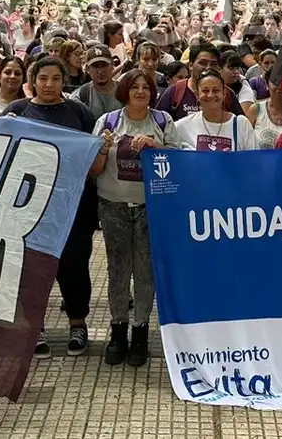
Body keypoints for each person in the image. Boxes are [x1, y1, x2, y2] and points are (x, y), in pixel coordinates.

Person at [5, 56, 101, 358]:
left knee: (75, 267)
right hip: (28, 207)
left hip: (73, 207)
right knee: (32, 267)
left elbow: (93, 152)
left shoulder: (78, 111)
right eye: (43, 78)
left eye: (55, 79)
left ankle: (78, 324)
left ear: (64, 81)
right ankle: (36, 328)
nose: (49, 84)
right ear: (33, 81)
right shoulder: (17, 112)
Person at [90, 69, 171, 367]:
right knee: (118, 270)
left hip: (151, 209)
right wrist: (103, 148)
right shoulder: (108, 122)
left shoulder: (163, 121)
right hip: (113, 207)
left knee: (146, 272)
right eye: (134, 86)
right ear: (124, 90)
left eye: (145, 87)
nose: (140, 91)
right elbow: (94, 170)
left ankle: (140, 332)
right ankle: (118, 329)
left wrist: (155, 145)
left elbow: (177, 161)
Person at [172, 69, 260, 151]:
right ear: (197, 95)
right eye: (205, 91)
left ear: (224, 93)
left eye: (215, 90)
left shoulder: (241, 124)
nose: (210, 95)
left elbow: (254, 160)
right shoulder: (182, 126)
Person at [75, 48, 122, 118]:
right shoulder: (81, 96)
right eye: (95, 66)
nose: (100, 71)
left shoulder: (124, 91)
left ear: (112, 65)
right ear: (87, 68)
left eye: (104, 65)